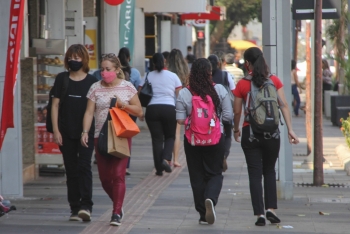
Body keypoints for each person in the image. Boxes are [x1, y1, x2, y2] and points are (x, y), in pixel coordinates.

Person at [233, 47, 299, 226]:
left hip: (251, 133)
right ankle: (271, 209)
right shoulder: (274, 80)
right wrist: (290, 130)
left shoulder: (242, 85)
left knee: (254, 174)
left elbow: (237, 112)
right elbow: (284, 105)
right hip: (272, 133)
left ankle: (259, 214)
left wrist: (236, 130)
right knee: (269, 170)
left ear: (247, 64)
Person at [81, 53, 143, 226]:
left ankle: (116, 212)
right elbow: (88, 112)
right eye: (102, 69)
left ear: (116, 69)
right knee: (104, 178)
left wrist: (122, 105)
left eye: (108, 69)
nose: (104, 73)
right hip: (99, 137)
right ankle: (118, 203)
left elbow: (139, 111)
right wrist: (84, 132)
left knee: (118, 175)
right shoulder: (95, 87)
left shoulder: (127, 87)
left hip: (121, 136)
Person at [176, 58, 233, 225]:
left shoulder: (185, 93)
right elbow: (228, 116)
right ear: (210, 73)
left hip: (192, 140)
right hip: (215, 138)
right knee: (215, 173)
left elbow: (179, 120)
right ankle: (210, 199)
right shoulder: (219, 90)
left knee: (197, 176)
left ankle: (202, 213)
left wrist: (191, 121)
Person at [51, 44, 98, 222]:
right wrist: (56, 130)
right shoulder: (62, 79)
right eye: (71, 57)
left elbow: (92, 110)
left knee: (84, 167)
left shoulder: (92, 81)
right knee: (71, 170)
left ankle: (86, 206)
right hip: (65, 131)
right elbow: (54, 106)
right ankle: (74, 207)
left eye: (78, 58)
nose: (74, 61)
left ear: (84, 59)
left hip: (85, 132)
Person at [139, 53, 182, 176]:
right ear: (164, 62)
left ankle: (158, 169)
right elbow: (179, 96)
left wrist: (140, 111)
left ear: (153, 63)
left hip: (152, 110)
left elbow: (139, 93)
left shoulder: (148, 76)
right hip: (169, 109)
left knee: (157, 139)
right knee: (170, 136)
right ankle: (166, 159)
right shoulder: (173, 76)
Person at [208, 54, 235, 171]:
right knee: (227, 134)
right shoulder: (225, 75)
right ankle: (224, 155)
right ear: (219, 63)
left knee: (210, 133)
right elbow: (234, 92)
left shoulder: (205, 77)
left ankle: (214, 158)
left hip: (208, 112)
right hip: (224, 110)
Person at [118, 47, 142, 175]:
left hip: (116, 107)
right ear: (129, 57)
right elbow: (138, 90)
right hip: (130, 108)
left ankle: (115, 162)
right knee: (127, 137)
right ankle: (125, 166)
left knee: (115, 134)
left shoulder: (115, 71)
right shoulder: (135, 73)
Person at [167, 49, 190, 167]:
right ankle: (175, 159)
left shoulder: (167, 72)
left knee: (164, 134)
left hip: (167, 103)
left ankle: (165, 158)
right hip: (179, 104)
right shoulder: (185, 72)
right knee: (176, 133)